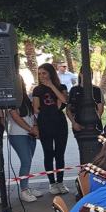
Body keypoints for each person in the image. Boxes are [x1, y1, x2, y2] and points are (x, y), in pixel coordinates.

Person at [32, 63, 69, 195]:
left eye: (44, 73)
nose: (42, 76)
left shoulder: (61, 87)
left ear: (50, 73)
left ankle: (60, 182)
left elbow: (64, 100)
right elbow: (36, 108)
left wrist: (51, 86)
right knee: (48, 153)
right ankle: (52, 183)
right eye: (40, 73)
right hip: (45, 124)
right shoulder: (37, 90)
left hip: (60, 124)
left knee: (60, 154)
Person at [7, 92, 42, 203]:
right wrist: (31, 129)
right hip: (17, 134)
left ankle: (26, 186)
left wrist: (35, 127)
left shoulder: (27, 98)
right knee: (26, 161)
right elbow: (16, 117)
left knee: (28, 161)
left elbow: (33, 116)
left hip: (30, 133)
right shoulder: (11, 99)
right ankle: (23, 190)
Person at [66, 74, 104, 139]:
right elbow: (68, 109)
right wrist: (74, 123)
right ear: (80, 75)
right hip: (78, 124)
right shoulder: (74, 89)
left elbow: (100, 108)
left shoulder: (96, 89)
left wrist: (95, 121)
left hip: (95, 125)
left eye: (90, 74)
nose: (88, 76)